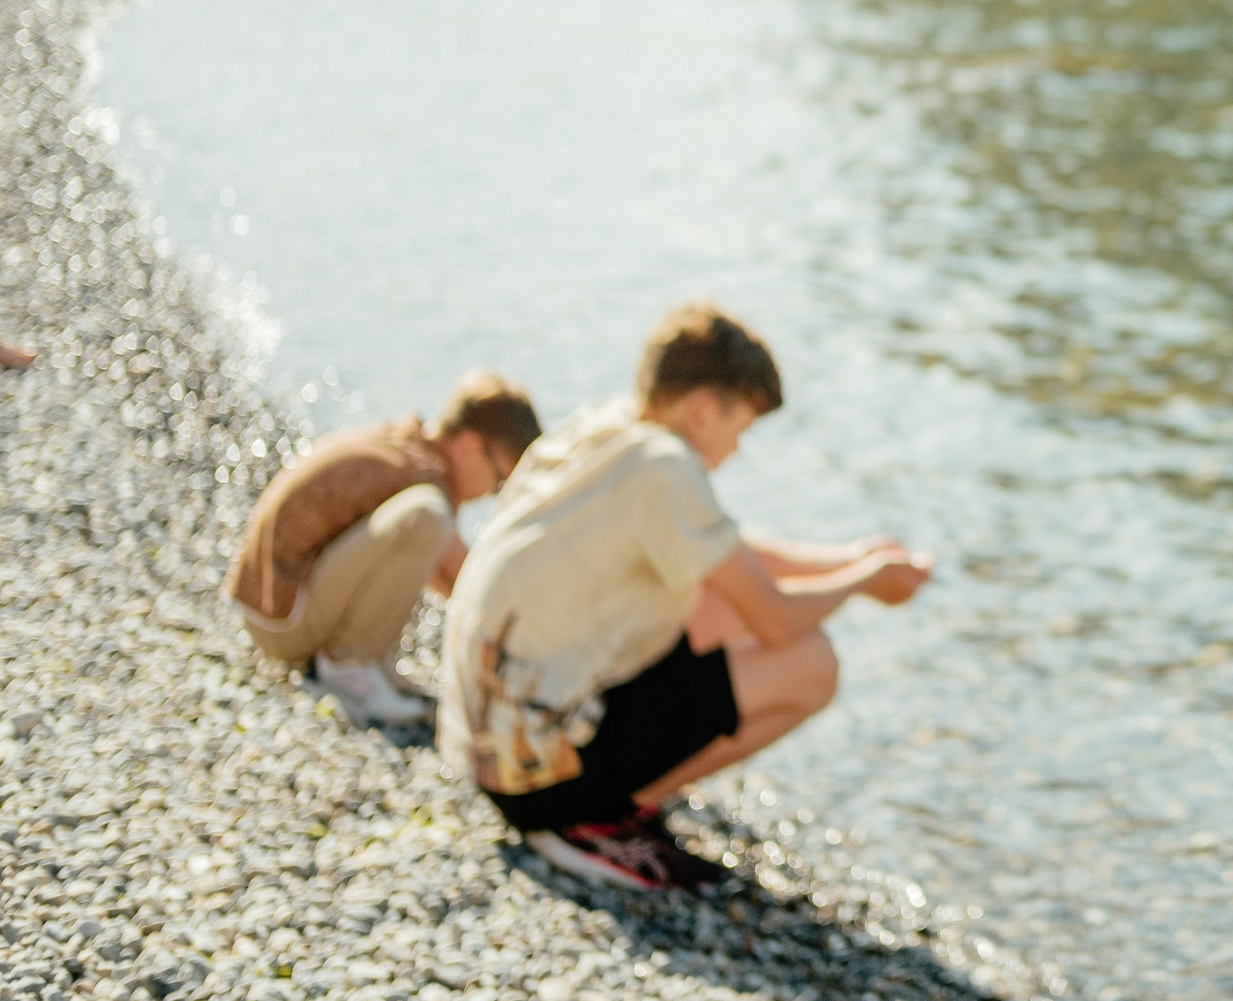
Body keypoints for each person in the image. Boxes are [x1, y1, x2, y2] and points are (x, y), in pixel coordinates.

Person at [440, 301, 932, 892]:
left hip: (482, 748)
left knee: (717, 602)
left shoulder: (608, 427)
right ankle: (602, 820)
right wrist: (863, 581)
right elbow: (775, 621)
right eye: (739, 429)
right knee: (811, 662)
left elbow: (730, 554)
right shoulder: (667, 469)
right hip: (537, 783)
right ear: (700, 410)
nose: (737, 450)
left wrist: (853, 557)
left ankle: (612, 792)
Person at [225, 371, 542, 726]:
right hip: (284, 623)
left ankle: (364, 664)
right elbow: (464, 582)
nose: (491, 494)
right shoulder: (427, 480)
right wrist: (537, 634)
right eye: (500, 481)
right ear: (468, 446)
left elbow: (436, 572)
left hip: (267, 609)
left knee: (425, 522)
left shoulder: (406, 444)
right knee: (426, 518)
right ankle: (350, 667)